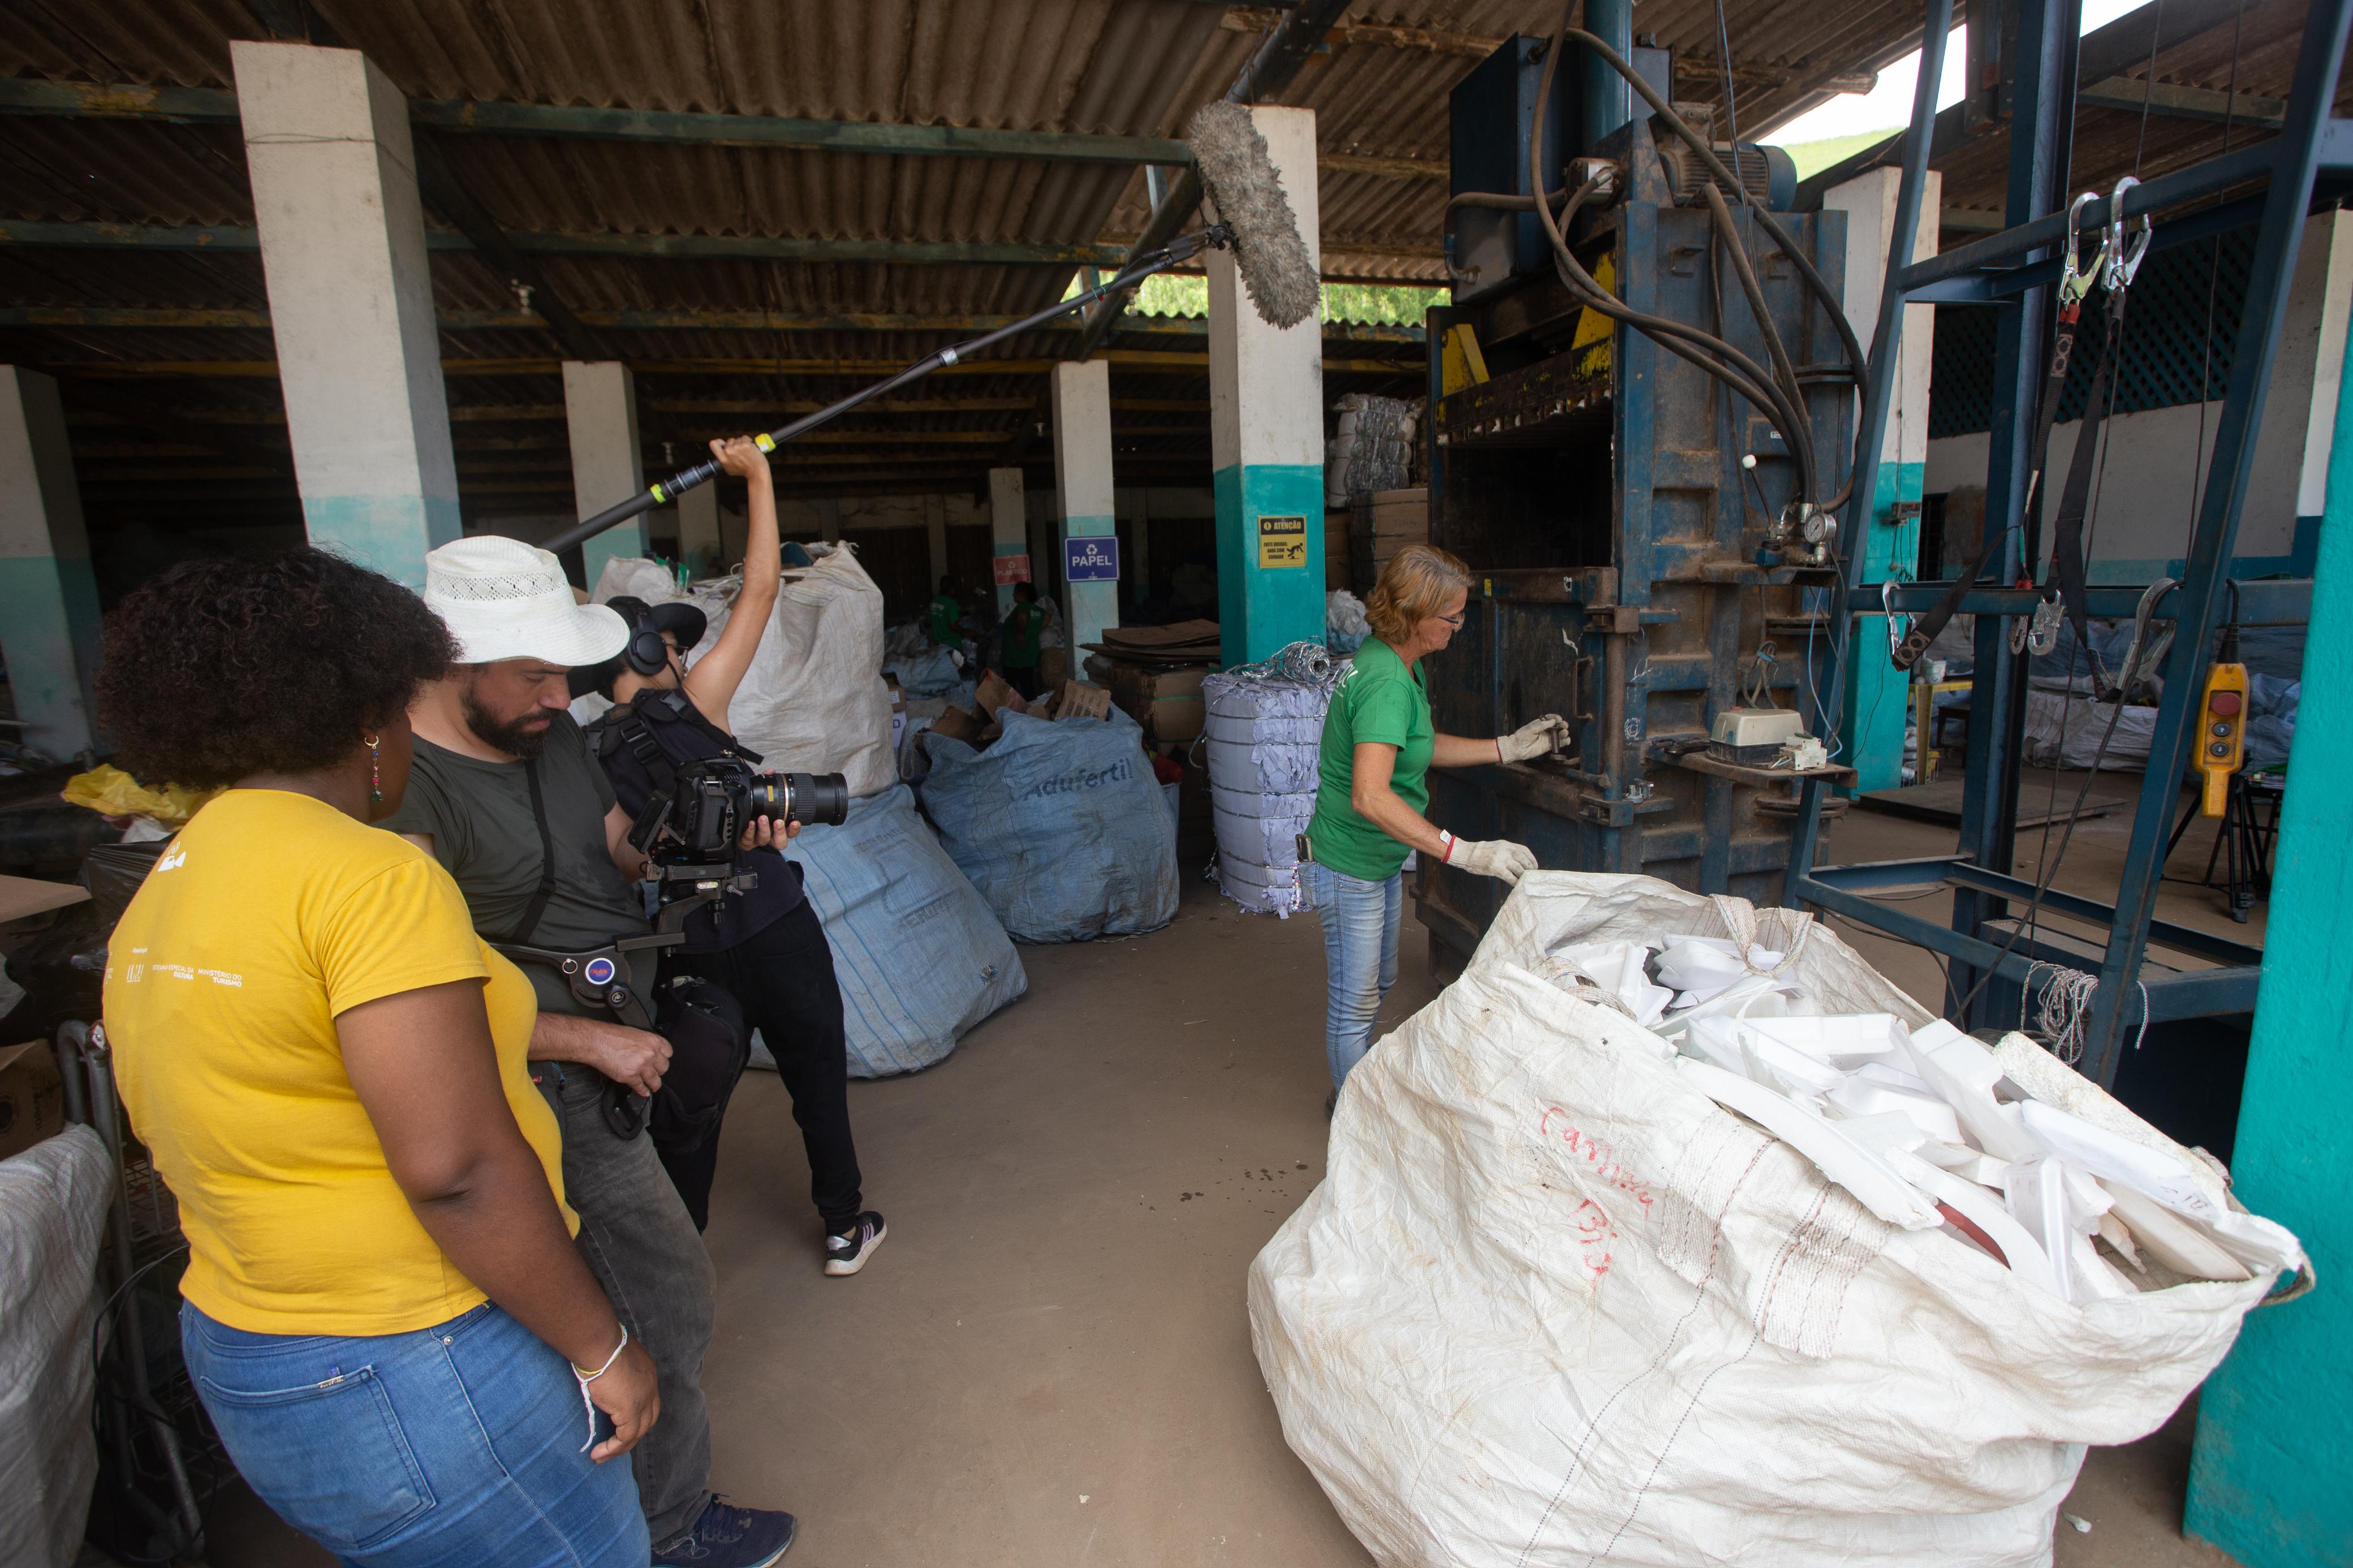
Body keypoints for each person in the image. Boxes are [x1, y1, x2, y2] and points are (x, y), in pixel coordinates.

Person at [97, 548, 658, 1567]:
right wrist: (603, 1345)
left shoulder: (173, 874)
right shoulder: (371, 877)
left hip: (246, 1350)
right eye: (401, 715)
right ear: (365, 722)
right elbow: (456, 1170)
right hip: (419, 1362)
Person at [380, 533, 798, 1568]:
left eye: (562, 672)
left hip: (615, 1041)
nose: (556, 693)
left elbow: (610, 837)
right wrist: (581, 1038)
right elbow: (413, 986)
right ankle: (671, 1529)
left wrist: (694, 837)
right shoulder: (404, 795)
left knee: (624, 1291)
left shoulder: (545, 732)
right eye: (532, 673)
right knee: (665, 1290)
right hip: (542, 1075)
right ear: (451, 664)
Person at [574, 435, 886, 1276]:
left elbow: (631, 865)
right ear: (647, 654)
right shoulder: (700, 705)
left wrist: (678, 846)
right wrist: (760, 477)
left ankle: (682, 1256)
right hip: (775, 919)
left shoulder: (586, 758)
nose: (682, 653)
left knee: (695, 1104)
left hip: (690, 947)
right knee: (816, 1074)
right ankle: (842, 1224)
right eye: (670, 644)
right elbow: (760, 588)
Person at [1301, 543, 1569, 1100]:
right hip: (1349, 862)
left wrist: (1505, 747)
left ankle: (1358, 1086)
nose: (1458, 626)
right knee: (1354, 1003)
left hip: (1373, 860)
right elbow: (1370, 796)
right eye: (1451, 616)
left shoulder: (1396, 662)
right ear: (1413, 616)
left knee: (1378, 984)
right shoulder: (1383, 685)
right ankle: (1350, 1115)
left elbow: (1414, 749)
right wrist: (1465, 853)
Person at [999, 580, 1048, 700]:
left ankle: (1009, 712)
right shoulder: (1037, 610)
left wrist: (1021, 634)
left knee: (1009, 687)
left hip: (1014, 655)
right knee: (1028, 687)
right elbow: (1048, 617)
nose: (1013, 595)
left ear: (1021, 594)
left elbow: (1022, 616)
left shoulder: (1022, 607)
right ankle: (1030, 711)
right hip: (1030, 654)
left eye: (1014, 593)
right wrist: (1035, 629)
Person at [927, 574, 964, 650]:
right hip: (953, 644)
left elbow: (929, 622)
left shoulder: (934, 601)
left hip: (939, 643)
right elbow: (954, 627)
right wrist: (967, 632)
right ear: (952, 589)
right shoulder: (951, 603)